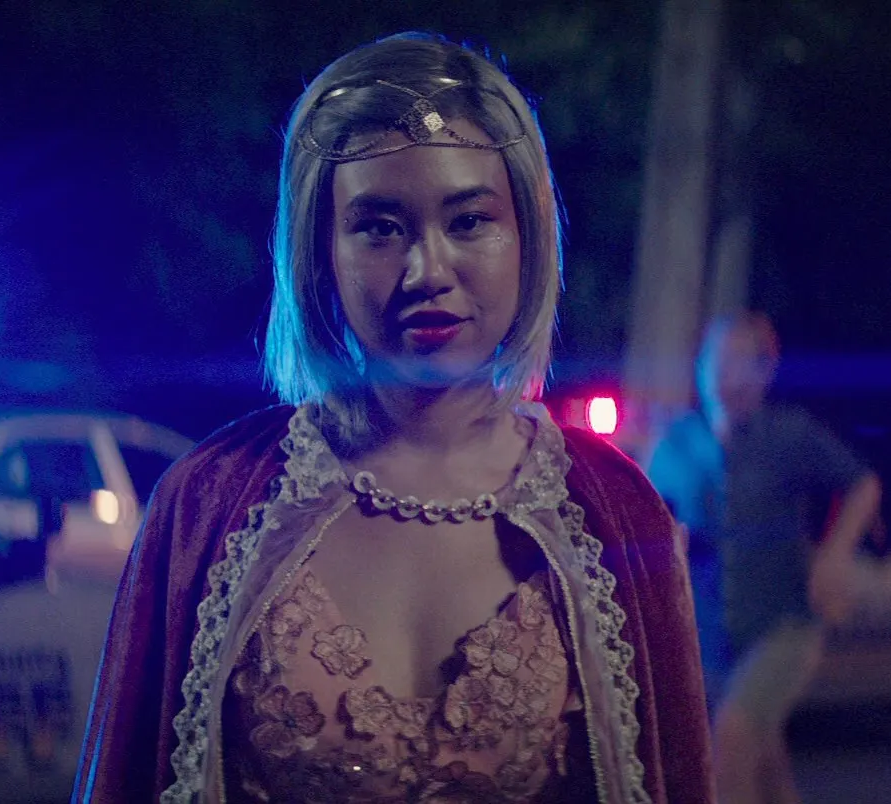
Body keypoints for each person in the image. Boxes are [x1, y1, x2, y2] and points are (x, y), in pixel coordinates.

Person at [74, 32, 713, 803]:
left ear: (527, 235)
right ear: (320, 251)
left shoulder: (614, 509)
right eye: (380, 227)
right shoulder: (209, 503)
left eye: (468, 221)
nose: (427, 270)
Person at [645, 312, 879, 804]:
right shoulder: (676, 445)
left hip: (783, 627)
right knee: (767, 770)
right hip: (710, 637)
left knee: (732, 738)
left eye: (738, 361)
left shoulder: (787, 434)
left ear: (765, 371)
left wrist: (835, 555)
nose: (723, 373)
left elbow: (863, 485)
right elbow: (645, 518)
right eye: (715, 360)